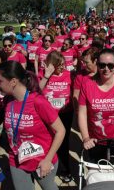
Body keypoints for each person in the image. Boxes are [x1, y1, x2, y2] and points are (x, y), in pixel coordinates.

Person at [0, 61, 65, 190]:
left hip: (41, 160)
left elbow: (60, 130)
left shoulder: (38, 101)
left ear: (13, 81)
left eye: (0, 81)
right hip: (16, 158)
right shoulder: (8, 100)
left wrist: (47, 160)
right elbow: (12, 118)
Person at [78, 48, 114, 151]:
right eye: (102, 65)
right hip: (95, 140)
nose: (106, 69)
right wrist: (86, 138)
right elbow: (82, 113)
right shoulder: (87, 85)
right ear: (97, 64)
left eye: (110, 65)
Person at [39, 51, 73, 182]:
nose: (62, 68)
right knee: (48, 141)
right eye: (59, 66)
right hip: (48, 115)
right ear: (52, 65)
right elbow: (37, 91)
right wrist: (47, 76)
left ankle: (65, 169)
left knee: (63, 142)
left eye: (63, 65)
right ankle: (49, 165)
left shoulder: (69, 74)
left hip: (65, 113)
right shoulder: (43, 74)